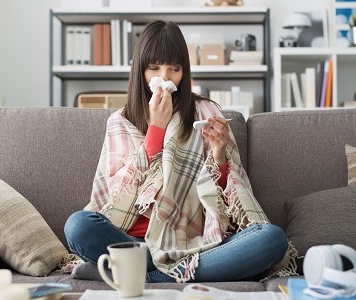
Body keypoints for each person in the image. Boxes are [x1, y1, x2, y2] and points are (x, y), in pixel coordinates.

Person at [64, 20, 297, 283]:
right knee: (78, 226)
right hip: (133, 242)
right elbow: (118, 197)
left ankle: (141, 275)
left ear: (184, 72)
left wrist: (219, 157)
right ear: (139, 70)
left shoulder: (206, 112)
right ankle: (159, 269)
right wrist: (156, 129)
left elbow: (227, 206)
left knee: (271, 238)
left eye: (174, 69)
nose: (164, 78)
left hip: (196, 243)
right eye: (154, 68)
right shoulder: (120, 121)